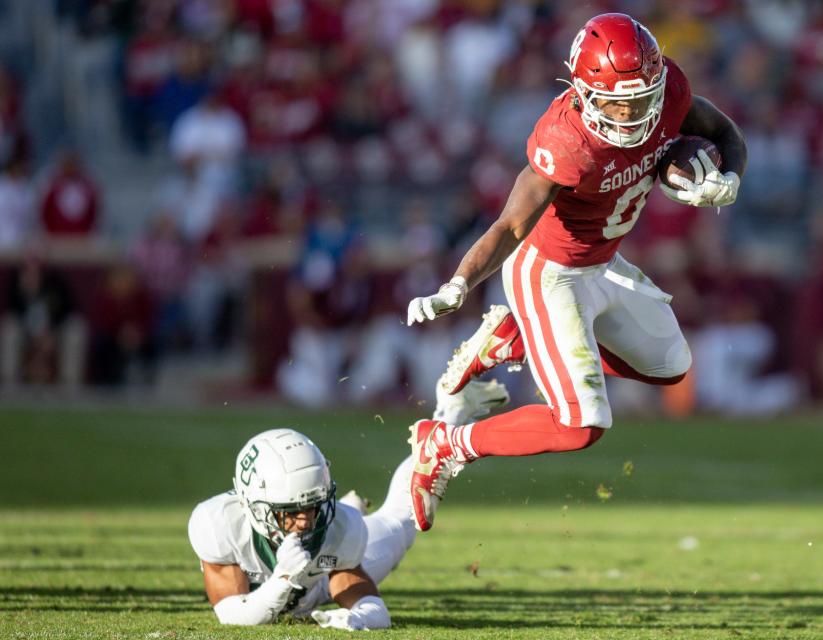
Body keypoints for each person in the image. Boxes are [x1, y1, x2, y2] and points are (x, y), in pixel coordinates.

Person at [404, 13, 747, 532]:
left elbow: (723, 131)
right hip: (549, 274)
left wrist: (730, 179)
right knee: (580, 425)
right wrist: (458, 284)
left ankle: (510, 338)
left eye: (640, 98)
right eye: (618, 100)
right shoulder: (567, 141)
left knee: (670, 366)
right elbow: (510, 226)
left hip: (604, 265)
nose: (632, 112)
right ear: (582, 88)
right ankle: (445, 445)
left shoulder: (669, 93)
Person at [186, 380, 507, 628]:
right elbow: (232, 615)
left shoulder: (339, 527)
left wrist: (357, 619)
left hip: (320, 586)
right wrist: (283, 578)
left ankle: (449, 414)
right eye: (291, 511)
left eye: (314, 505)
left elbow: (373, 608)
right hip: (296, 585)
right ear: (254, 506)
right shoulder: (219, 524)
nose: (306, 521)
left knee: (402, 520)